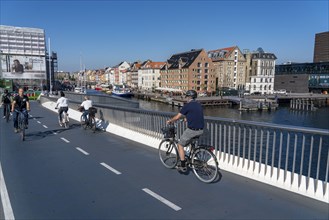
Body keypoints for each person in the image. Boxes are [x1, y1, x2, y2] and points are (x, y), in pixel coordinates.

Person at [166, 90, 204, 172]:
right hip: (201, 130)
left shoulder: (187, 105)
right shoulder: (198, 105)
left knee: (180, 145)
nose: (186, 98)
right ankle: (191, 157)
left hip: (192, 130)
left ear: (189, 97)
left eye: (186, 96)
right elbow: (195, 114)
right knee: (189, 141)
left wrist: (170, 121)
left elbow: (177, 117)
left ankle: (182, 165)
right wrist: (187, 118)